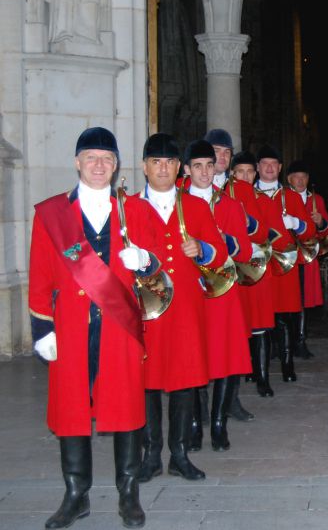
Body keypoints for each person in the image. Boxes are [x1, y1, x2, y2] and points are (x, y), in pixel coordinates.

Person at [29, 127, 161, 528]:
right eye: (91, 158)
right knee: (71, 410)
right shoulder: (52, 214)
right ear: (77, 162)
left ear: (117, 164)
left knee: (125, 407)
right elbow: (39, 277)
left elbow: (159, 270)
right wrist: (42, 330)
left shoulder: (136, 210)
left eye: (106, 158)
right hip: (70, 327)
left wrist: (146, 260)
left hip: (119, 331)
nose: (99, 165)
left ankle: (128, 491)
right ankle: (76, 494)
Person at [136, 133, 228, 483]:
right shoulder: (128, 207)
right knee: (146, 382)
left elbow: (220, 253)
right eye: (156, 162)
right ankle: (150, 454)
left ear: (179, 168)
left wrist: (202, 249)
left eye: (169, 162)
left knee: (183, 381)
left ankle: (179, 453)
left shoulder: (195, 206)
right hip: (146, 310)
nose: (163, 168)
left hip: (186, 309)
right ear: (145, 167)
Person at [182, 140, 253, 451]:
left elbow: (246, 250)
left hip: (223, 290)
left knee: (225, 357)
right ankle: (196, 423)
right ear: (186, 170)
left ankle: (220, 423)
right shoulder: (176, 204)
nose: (204, 172)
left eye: (209, 166)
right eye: (197, 166)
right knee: (194, 356)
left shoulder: (230, 205)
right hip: (190, 290)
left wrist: (222, 240)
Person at [229, 151, 292, 398]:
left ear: (255, 174)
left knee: (260, 325)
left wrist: (261, 240)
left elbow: (281, 237)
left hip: (257, 270)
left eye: (249, 172)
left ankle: (263, 378)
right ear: (232, 174)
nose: (245, 176)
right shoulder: (220, 199)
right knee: (235, 325)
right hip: (231, 271)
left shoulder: (264, 202)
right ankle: (240, 373)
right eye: (240, 172)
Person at [254, 145, 317, 381]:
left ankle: (287, 366)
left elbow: (310, 231)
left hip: (285, 265)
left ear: (280, 169)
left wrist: (296, 223)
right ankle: (258, 371)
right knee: (259, 318)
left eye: (274, 164)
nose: (269, 168)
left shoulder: (289, 196)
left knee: (284, 318)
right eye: (265, 164)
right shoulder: (248, 195)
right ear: (258, 167)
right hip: (258, 264)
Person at [286, 160, 328, 358]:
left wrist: (321, 222)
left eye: (304, 177)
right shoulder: (283, 198)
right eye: (296, 177)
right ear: (289, 179)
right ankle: (284, 342)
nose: (300, 180)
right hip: (287, 255)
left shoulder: (316, 200)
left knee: (303, 300)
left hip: (307, 256)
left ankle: (300, 340)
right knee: (286, 301)